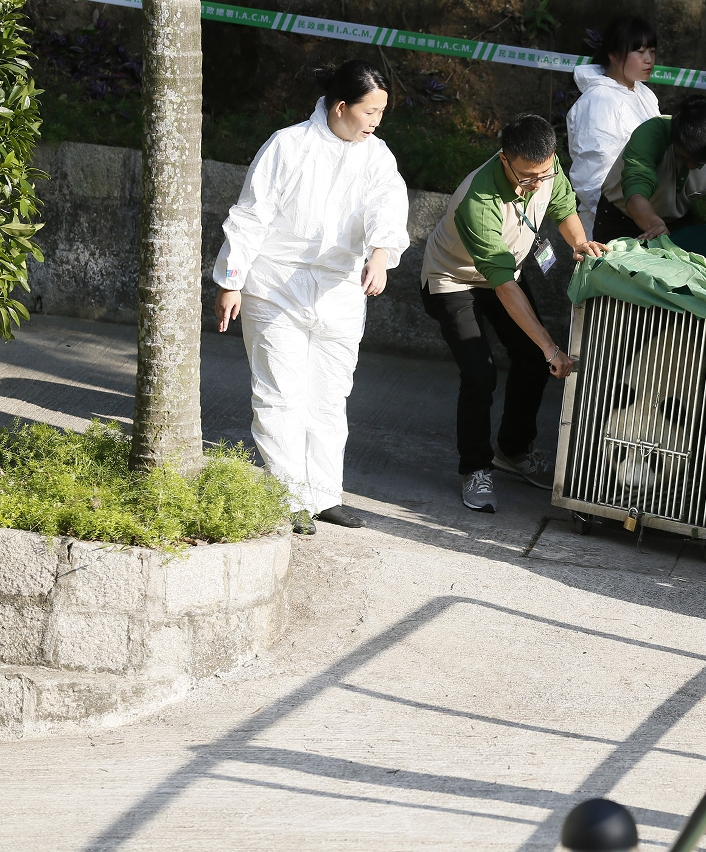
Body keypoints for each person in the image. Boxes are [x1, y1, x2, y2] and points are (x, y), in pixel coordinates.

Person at [213, 60, 410, 536]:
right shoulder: (288, 145)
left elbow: (389, 205)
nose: (376, 122)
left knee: (328, 396)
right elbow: (251, 215)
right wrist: (231, 280)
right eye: (370, 111)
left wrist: (381, 254)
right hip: (276, 285)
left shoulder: (377, 156)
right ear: (341, 107)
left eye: (382, 113)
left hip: (339, 289)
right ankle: (288, 497)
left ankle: (323, 495)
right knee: (281, 393)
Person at [420, 114, 608, 513]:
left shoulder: (545, 167)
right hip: (454, 279)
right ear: (504, 160)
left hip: (505, 273)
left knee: (531, 362)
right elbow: (504, 286)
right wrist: (551, 347)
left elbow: (563, 206)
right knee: (480, 372)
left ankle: (514, 450)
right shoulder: (478, 199)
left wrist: (578, 243)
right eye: (525, 177)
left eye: (542, 173)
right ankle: (475, 468)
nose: (535, 183)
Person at [593, 94, 706, 244]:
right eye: (684, 158)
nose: (691, 165)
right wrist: (654, 224)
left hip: (676, 224)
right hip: (620, 218)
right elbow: (636, 192)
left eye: (700, 161)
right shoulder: (650, 135)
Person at [565, 15, 660, 241]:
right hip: (611, 223)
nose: (649, 60)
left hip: (643, 214)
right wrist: (617, 218)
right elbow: (592, 175)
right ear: (614, 55)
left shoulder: (644, 93)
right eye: (640, 51)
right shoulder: (598, 101)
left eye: (652, 51)